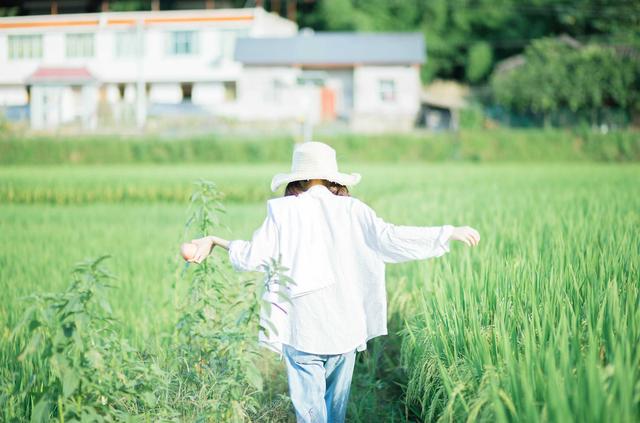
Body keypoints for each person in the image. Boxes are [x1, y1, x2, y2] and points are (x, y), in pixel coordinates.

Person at [185, 141, 480, 423]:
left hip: (302, 329)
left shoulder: (283, 212)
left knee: (311, 414)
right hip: (345, 329)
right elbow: (392, 238)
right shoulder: (354, 210)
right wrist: (446, 233)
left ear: (296, 180)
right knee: (335, 412)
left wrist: (215, 240)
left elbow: (251, 256)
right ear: (333, 179)